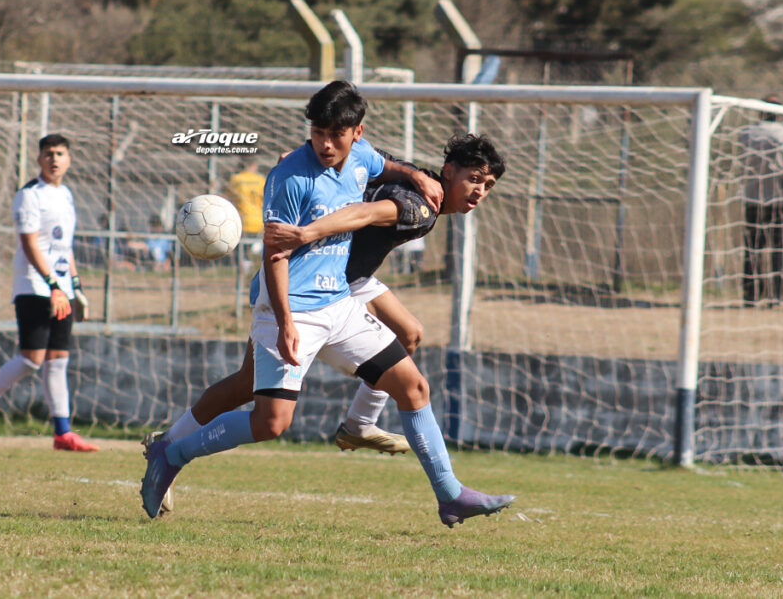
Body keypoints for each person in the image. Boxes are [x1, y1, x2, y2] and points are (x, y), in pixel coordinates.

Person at [140, 81, 513, 528]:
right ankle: (172, 451)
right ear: (449, 172)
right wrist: (290, 296)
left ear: (357, 132)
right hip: (297, 300)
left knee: (412, 383)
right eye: (319, 132)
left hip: (341, 290)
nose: (326, 142)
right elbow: (348, 222)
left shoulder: (368, 159)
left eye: (486, 185)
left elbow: (377, 161)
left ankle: (448, 493)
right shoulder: (407, 203)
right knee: (270, 419)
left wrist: (410, 172)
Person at [0, 133, 98, 452]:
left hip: (61, 288)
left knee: (58, 360)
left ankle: (62, 433)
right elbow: (30, 243)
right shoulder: (29, 195)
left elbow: (64, 247)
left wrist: (75, 288)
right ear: (38, 159)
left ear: (69, 159)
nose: (54, 158)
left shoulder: (65, 194)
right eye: (48, 153)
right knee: (32, 360)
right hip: (35, 286)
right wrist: (53, 286)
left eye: (60, 153)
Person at [739, 95, 783, 307]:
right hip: (780, 199)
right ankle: (776, 295)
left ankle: (750, 295)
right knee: (779, 247)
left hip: (753, 196)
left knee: (753, 247)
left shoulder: (746, 133)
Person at [228, 161, 267, 271]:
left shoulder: (236, 179)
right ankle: (252, 268)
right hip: (258, 220)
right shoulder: (261, 180)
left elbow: (231, 199)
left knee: (242, 251)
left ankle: (243, 274)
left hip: (242, 220)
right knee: (250, 249)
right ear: (254, 165)